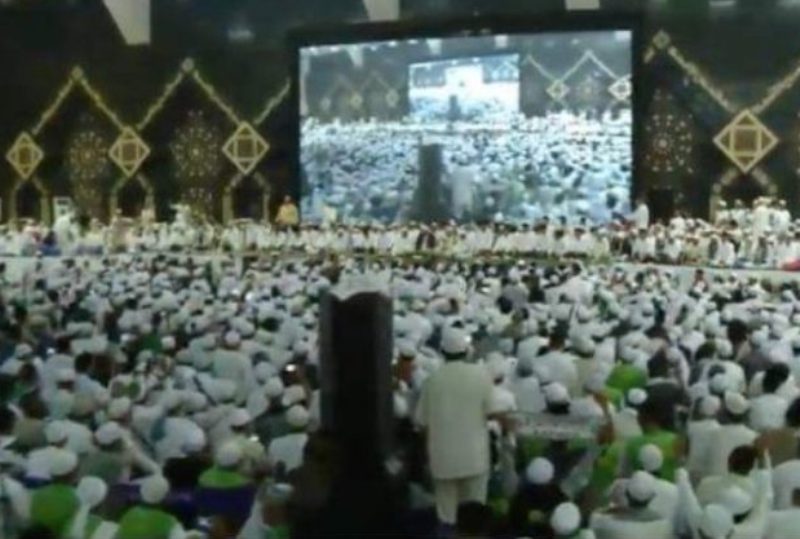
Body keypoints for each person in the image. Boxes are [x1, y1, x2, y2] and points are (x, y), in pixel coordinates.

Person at [414, 325, 494, 527]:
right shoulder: (481, 376)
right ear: (466, 351)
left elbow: (422, 423)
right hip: (475, 458)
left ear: (442, 351)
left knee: (447, 517)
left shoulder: (432, 381)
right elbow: (492, 412)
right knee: (475, 516)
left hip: (443, 460)